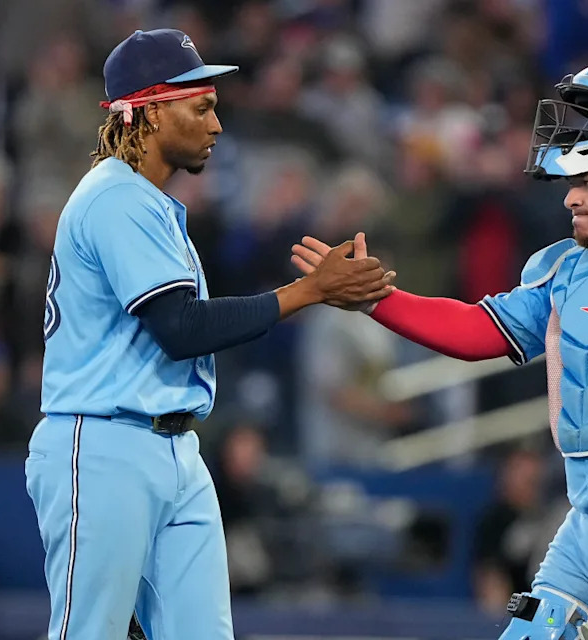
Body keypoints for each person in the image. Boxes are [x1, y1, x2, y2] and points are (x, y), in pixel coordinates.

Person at [292, 62, 588, 639]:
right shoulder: (564, 271)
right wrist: (377, 300)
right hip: (586, 527)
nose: (570, 198)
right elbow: (477, 331)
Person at [25, 28, 394, 640]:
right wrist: (309, 291)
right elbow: (181, 327)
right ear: (150, 109)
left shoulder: (147, 202)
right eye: (201, 106)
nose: (216, 124)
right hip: (103, 444)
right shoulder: (115, 199)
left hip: (170, 445)